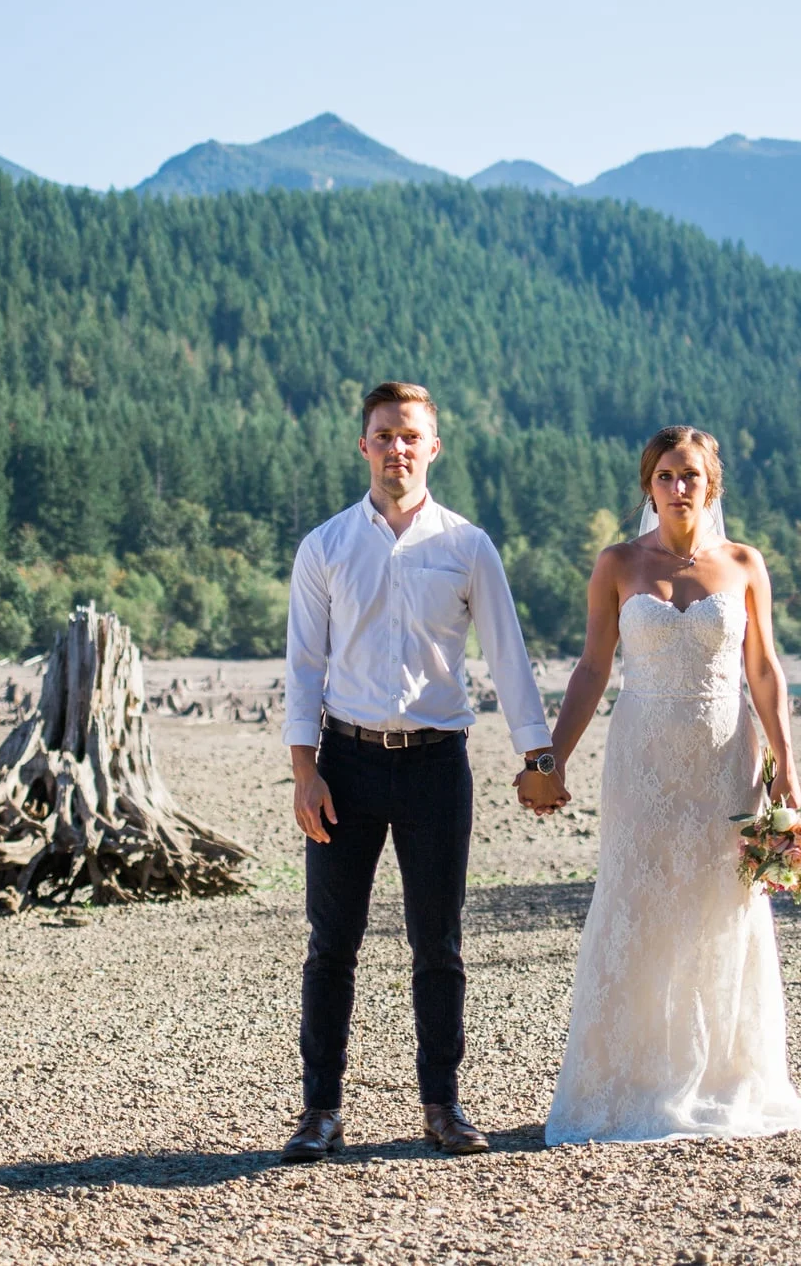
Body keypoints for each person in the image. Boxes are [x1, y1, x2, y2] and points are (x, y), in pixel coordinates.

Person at [519, 426, 801, 1144]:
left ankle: (724, 1078)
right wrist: (549, 759)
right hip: (643, 757)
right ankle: (626, 1082)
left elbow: (765, 669)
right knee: (637, 900)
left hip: (726, 757)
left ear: (710, 484)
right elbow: (592, 669)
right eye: (664, 474)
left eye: (690, 474)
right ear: (648, 485)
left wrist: (788, 760)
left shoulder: (745, 564)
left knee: (722, 906)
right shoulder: (618, 564)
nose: (677, 486)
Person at [279, 381, 554, 1163]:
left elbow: (508, 655)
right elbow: (303, 667)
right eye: (383, 434)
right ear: (362, 444)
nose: (397, 447)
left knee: (438, 941)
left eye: (411, 436)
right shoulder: (325, 546)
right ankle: (320, 1111)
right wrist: (306, 772)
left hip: (437, 764)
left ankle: (442, 1103)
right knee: (332, 942)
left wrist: (537, 757)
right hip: (346, 766)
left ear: (433, 447)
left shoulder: (467, 546)